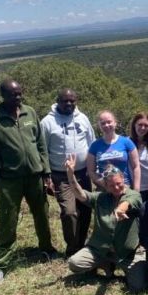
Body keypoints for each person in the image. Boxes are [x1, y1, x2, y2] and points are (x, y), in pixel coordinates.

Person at [0, 79, 57, 283]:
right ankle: (2, 264)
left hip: (35, 176)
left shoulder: (30, 113)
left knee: (42, 214)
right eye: (13, 94)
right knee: (8, 220)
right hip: (9, 180)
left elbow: (40, 144)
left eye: (20, 93)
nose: (18, 97)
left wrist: (46, 173)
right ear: (3, 96)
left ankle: (47, 250)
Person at [65, 158, 145, 289]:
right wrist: (70, 174)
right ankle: (104, 263)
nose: (116, 187)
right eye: (112, 185)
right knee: (74, 263)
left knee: (139, 286)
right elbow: (80, 194)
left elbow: (129, 202)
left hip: (126, 253)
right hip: (100, 250)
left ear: (123, 179)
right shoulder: (100, 198)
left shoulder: (134, 195)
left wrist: (120, 210)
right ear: (106, 186)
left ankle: (118, 266)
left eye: (118, 183)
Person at [40, 89, 97, 257]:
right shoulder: (47, 122)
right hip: (61, 175)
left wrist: (93, 169)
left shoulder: (83, 118)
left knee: (86, 210)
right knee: (70, 212)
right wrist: (46, 175)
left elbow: (91, 144)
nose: (69, 104)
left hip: (83, 173)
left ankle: (82, 244)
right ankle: (73, 249)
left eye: (72, 101)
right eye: (65, 101)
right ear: (57, 101)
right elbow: (42, 150)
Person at [87, 110, 141, 191]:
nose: (106, 125)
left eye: (109, 122)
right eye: (103, 123)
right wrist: (103, 183)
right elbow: (91, 171)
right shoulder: (94, 146)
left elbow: (136, 166)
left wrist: (136, 189)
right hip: (105, 190)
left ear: (115, 123)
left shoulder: (126, 142)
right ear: (99, 126)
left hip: (125, 188)